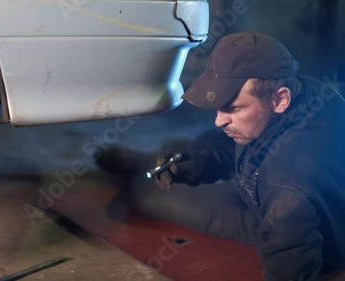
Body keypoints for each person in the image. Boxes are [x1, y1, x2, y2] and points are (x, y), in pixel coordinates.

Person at [96, 32, 345, 281]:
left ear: (280, 99)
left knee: (146, 191)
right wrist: (201, 161)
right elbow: (240, 143)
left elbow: (290, 266)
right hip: (267, 192)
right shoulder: (306, 91)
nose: (219, 119)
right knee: (186, 148)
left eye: (233, 108)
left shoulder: (287, 191)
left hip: (276, 218)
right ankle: (150, 161)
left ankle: (139, 172)